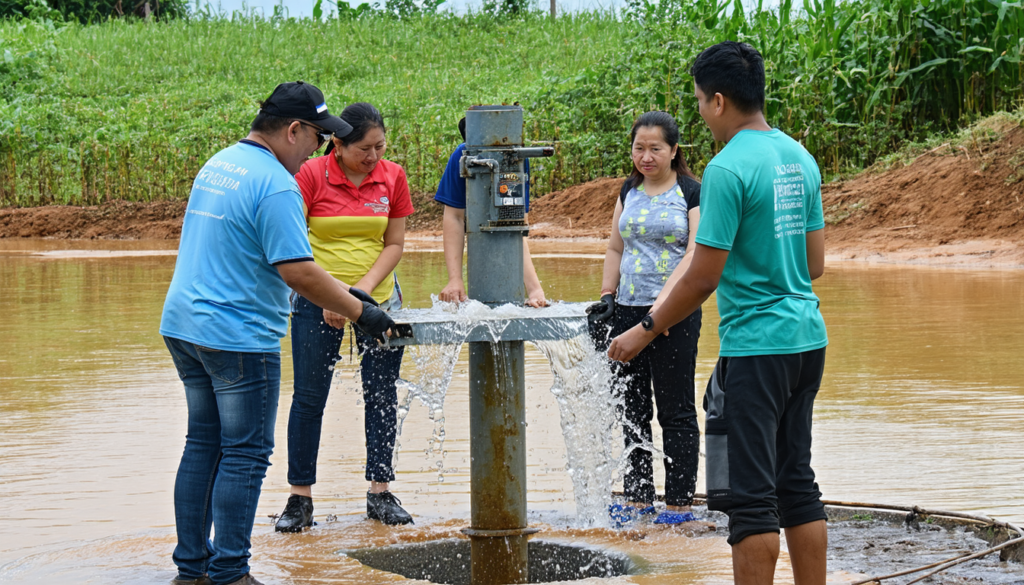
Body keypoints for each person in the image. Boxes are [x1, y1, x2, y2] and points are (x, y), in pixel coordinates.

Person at [607, 41, 828, 585]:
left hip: (757, 346)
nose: (702, 112)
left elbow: (702, 276)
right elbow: (815, 263)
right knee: (796, 482)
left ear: (720, 101)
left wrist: (644, 329)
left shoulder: (727, 169)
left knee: (750, 499)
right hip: (807, 338)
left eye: (702, 102)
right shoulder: (799, 157)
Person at [160, 82, 395, 585]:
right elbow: (298, 272)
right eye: (316, 136)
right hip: (237, 336)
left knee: (203, 444)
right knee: (244, 454)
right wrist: (363, 312)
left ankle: (191, 570)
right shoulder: (277, 183)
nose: (317, 148)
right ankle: (230, 573)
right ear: (293, 130)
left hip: (183, 325)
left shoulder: (218, 163)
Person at [274, 102, 416, 532]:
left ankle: (380, 491)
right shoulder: (310, 176)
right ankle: (300, 499)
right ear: (336, 144)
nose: (373, 157)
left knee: (381, 394)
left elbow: (393, 244)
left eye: (380, 147)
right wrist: (330, 297)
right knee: (309, 397)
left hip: (378, 301)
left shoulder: (393, 177)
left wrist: (359, 297)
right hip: (316, 300)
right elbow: (296, 244)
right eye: (364, 150)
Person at [588, 111, 703, 526]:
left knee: (675, 410)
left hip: (674, 313)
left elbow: (693, 254)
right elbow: (616, 248)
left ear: (674, 150)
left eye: (656, 148)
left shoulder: (691, 192)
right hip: (626, 310)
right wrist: (606, 296)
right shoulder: (629, 189)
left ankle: (679, 504)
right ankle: (638, 499)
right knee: (631, 409)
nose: (647, 156)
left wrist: (661, 311)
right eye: (639, 148)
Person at [435, 117, 547, 307]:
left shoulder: (516, 158)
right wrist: (455, 279)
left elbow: (516, 225)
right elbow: (454, 217)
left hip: (505, 252)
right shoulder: (462, 155)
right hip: (477, 246)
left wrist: (535, 289)